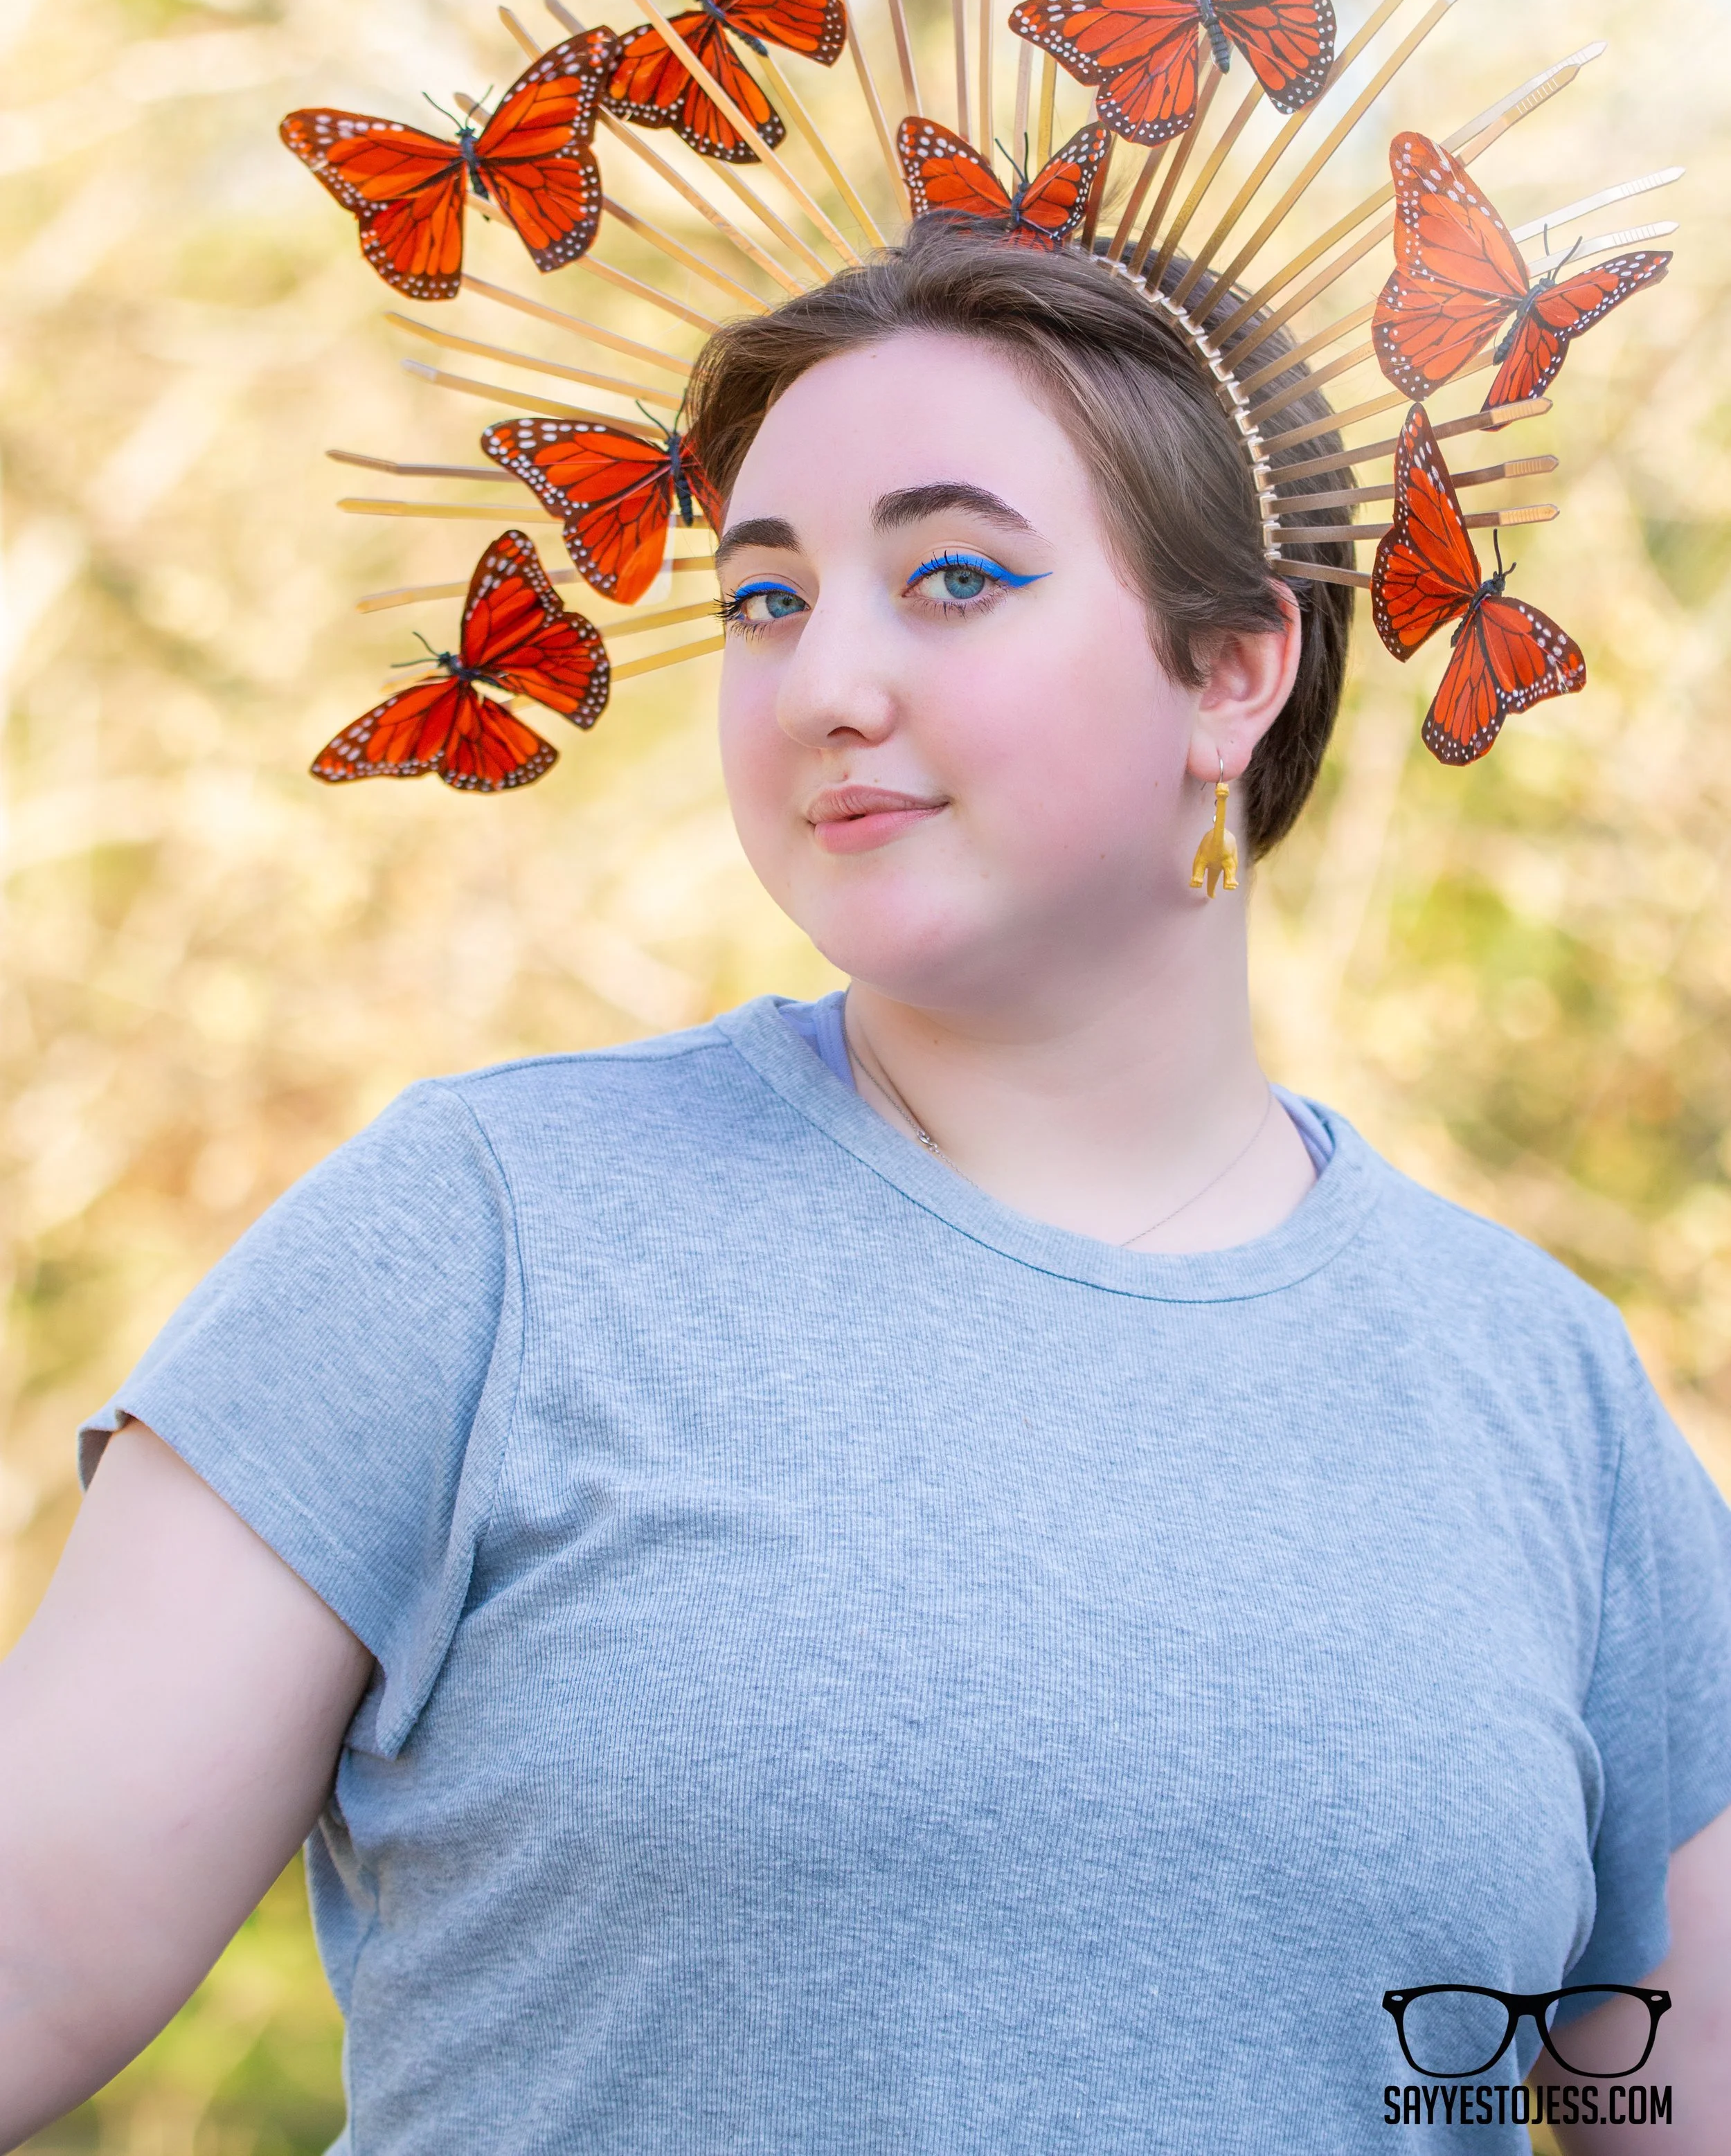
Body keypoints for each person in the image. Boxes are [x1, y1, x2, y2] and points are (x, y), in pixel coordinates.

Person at [1, 227, 1726, 2154]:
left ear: (1233, 669)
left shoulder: (1548, 1395)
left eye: (955, 578)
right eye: (765, 599)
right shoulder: (479, 1238)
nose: (821, 679)